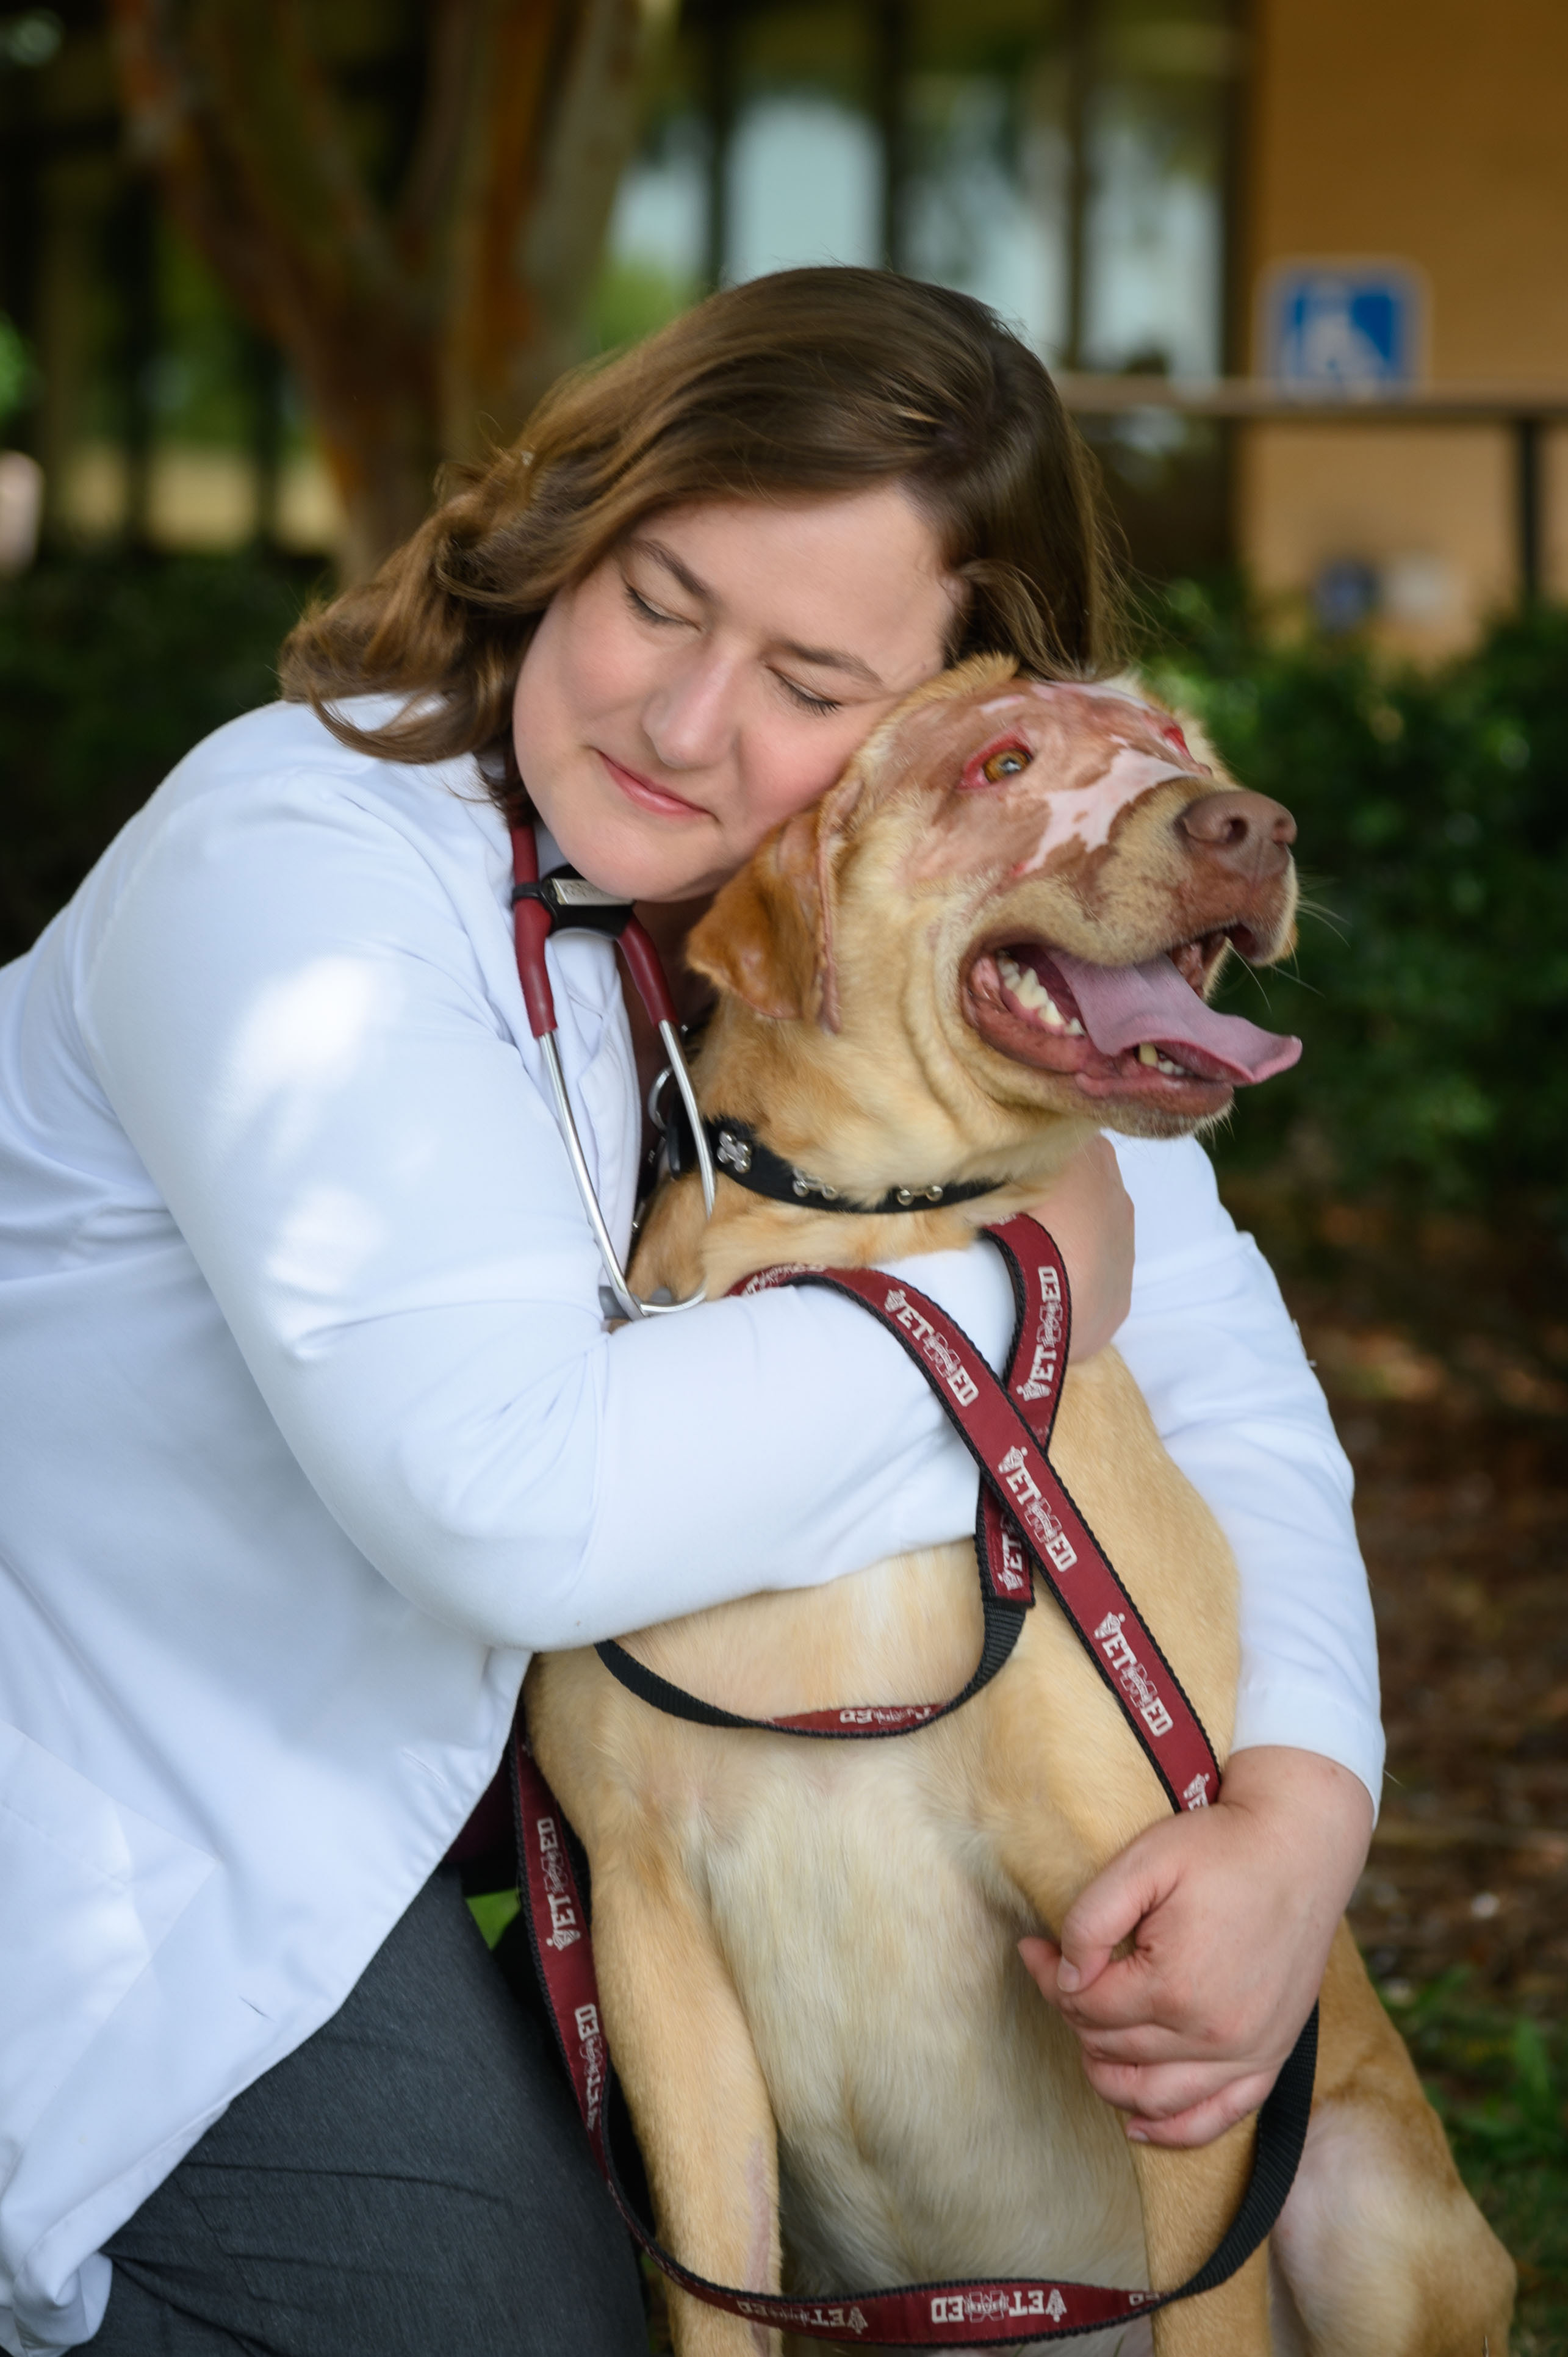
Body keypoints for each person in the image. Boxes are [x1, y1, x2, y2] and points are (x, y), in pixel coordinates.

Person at [0, 268, 1379, 2357]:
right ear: (560, 532)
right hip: (113, 1808)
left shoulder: (886, 926)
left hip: (342, 1840)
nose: (683, 721)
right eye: (658, 598)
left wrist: (1295, 1808)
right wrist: (1006, 1298)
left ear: (932, 724)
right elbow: (502, 1502)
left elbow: (1217, 1377)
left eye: (812, 675)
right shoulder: (295, 857)